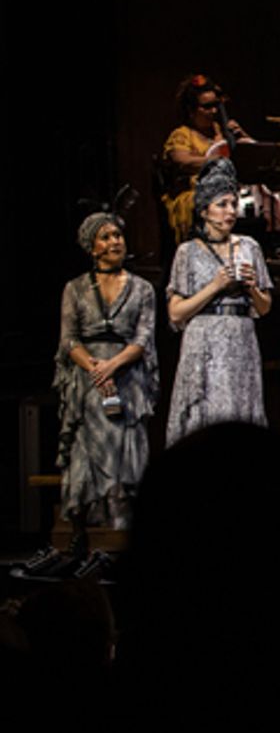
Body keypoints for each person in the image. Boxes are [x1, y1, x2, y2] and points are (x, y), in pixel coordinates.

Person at [49, 213, 159, 560]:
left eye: (118, 236)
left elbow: (143, 338)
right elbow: (68, 338)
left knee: (129, 452)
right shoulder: (75, 288)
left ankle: (126, 539)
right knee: (85, 453)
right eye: (106, 237)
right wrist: (95, 368)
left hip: (126, 375)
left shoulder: (142, 288)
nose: (115, 242)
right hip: (89, 378)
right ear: (91, 246)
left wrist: (113, 365)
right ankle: (81, 534)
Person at [165, 158, 273, 443]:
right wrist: (214, 286)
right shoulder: (187, 252)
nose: (230, 211)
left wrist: (251, 288)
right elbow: (176, 314)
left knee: (241, 411)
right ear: (204, 210)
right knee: (207, 413)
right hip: (203, 340)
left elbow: (264, 308)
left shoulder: (250, 246)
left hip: (242, 338)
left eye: (233, 203)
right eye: (221, 204)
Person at [160, 74, 280, 242]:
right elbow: (182, 161)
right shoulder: (182, 134)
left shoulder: (222, 130)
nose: (214, 111)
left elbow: (252, 158)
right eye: (207, 107)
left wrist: (242, 138)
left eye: (216, 105)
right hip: (196, 193)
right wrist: (218, 161)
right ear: (191, 109)